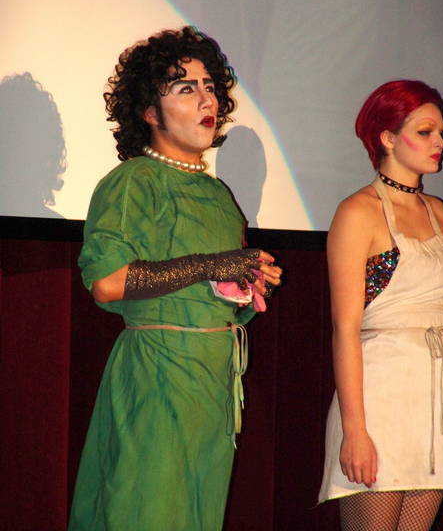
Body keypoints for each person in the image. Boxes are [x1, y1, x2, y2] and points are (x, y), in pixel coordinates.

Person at [68, 26, 282, 530]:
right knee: (145, 512)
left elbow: (217, 293)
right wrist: (209, 265)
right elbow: (107, 282)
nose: (207, 100)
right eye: (186, 88)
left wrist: (248, 284)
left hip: (214, 383)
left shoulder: (218, 196)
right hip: (157, 375)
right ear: (149, 111)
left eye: (210, 86)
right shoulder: (132, 182)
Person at [318, 80, 443, 530]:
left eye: (441, 132)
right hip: (380, 400)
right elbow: (345, 329)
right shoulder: (358, 211)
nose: (440, 142)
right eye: (426, 132)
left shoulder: (440, 212)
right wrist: (355, 430)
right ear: (388, 138)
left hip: (434, 403)